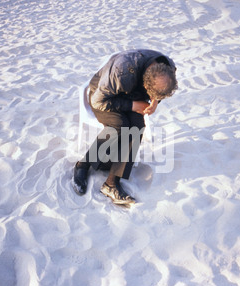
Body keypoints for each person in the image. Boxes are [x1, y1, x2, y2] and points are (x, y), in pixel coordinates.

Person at [72, 49, 178, 207]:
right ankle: (83, 164)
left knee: (137, 127)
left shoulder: (168, 67)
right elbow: (97, 101)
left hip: (131, 92)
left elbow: (160, 89)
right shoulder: (121, 72)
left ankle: (111, 184)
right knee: (119, 126)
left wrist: (155, 102)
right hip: (104, 97)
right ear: (145, 83)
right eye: (151, 95)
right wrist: (133, 105)